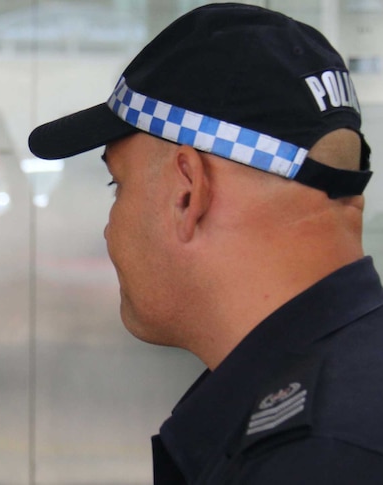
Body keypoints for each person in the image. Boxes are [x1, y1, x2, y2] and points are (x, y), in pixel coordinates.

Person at [29, 3, 383, 484]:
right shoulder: (344, 401)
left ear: (187, 191)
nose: (109, 230)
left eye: (119, 185)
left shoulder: (314, 456)